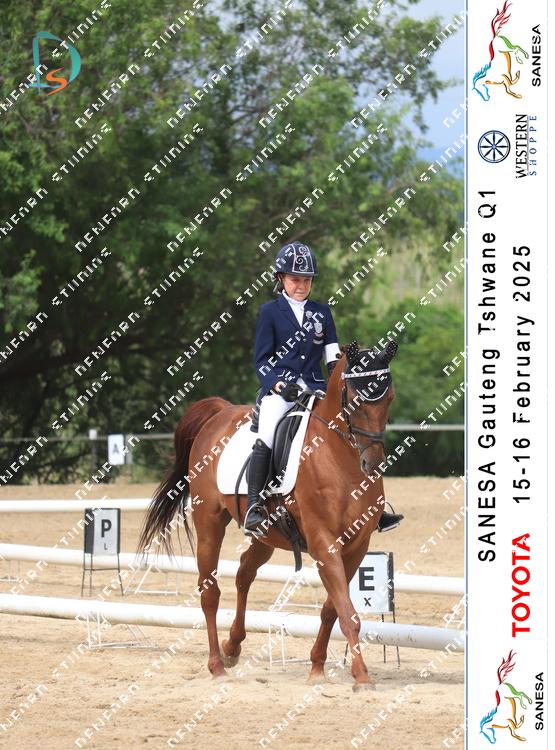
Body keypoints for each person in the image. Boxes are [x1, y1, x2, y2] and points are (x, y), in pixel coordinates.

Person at [243, 241, 404, 537]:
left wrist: (347, 369)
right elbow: (261, 361)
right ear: (281, 279)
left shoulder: (321, 312)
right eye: (295, 279)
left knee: (351, 429)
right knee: (267, 432)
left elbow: (331, 355)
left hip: (316, 388)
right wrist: (279, 384)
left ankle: (374, 506)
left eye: (306, 280)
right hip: (282, 392)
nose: (301, 285)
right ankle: (254, 505)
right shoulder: (270, 312)